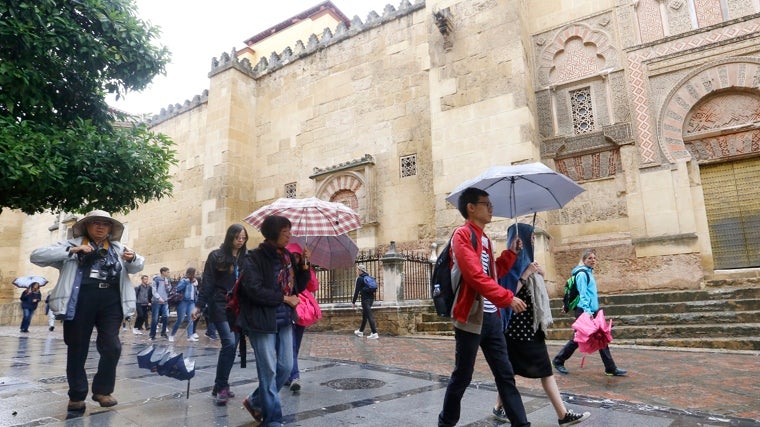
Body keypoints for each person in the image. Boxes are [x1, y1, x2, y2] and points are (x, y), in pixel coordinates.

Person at [30, 210, 144, 412]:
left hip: (111, 301)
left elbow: (137, 266)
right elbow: (36, 256)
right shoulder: (72, 245)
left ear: (110, 228)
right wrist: (72, 251)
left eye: (105, 224)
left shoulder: (117, 248)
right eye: (96, 223)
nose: (101, 227)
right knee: (77, 347)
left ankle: (103, 390)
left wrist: (133, 257)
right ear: (87, 226)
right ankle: (76, 395)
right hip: (80, 299)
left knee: (112, 347)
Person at [438, 187, 530, 427]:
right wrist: (506, 298)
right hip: (470, 316)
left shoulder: (485, 239)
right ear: (471, 207)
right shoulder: (462, 235)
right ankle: (445, 423)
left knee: (505, 376)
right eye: (486, 204)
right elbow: (474, 276)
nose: (491, 209)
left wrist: (511, 253)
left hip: (492, 318)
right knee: (462, 376)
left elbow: (492, 274)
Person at [491, 223, 590, 426]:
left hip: (532, 327)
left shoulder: (530, 262)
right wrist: (526, 274)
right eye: (530, 238)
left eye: (534, 238)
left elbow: (535, 293)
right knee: (541, 370)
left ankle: (498, 407)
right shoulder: (509, 264)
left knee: (510, 371)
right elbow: (506, 293)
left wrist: (538, 274)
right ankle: (563, 415)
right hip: (517, 329)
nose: (533, 241)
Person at [239, 215, 308, 426]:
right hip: (261, 322)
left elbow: (299, 287)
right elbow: (253, 289)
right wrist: (284, 298)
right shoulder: (253, 257)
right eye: (285, 231)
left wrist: (304, 266)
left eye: (289, 231)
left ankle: (255, 401)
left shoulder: (287, 256)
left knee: (286, 367)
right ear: (273, 233)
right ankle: (272, 419)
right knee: (268, 370)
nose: (289, 235)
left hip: (285, 319)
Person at [192, 224, 248, 405]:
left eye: (244, 238)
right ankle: (222, 386)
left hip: (238, 307)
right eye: (238, 237)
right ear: (230, 236)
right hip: (220, 304)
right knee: (229, 342)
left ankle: (219, 385)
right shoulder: (216, 256)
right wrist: (199, 306)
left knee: (231, 347)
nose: (241, 241)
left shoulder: (246, 259)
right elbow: (207, 282)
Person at [552, 249, 627, 377]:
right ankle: (558, 360)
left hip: (592, 310)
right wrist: (588, 312)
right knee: (578, 338)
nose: (593, 260)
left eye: (594, 258)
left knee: (601, 336)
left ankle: (610, 367)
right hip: (584, 311)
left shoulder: (589, 273)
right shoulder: (582, 274)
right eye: (589, 258)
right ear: (583, 260)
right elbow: (583, 295)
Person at [284, 242, 318, 392]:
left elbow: (307, 286)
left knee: (296, 345)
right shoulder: (283, 271)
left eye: (298, 256)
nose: (296, 259)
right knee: (290, 345)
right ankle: (295, 376)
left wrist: (307, 263)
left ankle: (288, 375)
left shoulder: (301, 269)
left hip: (301, 311)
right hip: (286, 310)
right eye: (294, 256)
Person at [170, 267, 199, 342]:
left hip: (191, 302)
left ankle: (190, 336)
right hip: (183, 301)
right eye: (195, 272)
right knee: (180, 319)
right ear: (191, 273)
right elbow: (178, 288)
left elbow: (195, 292)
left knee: (191, 319)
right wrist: (187, 282)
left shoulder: (195, 282)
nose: (196, 274)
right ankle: (172, 335)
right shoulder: (184, 280)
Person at [352, 265, 378, 339]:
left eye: (358, 270)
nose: (357, 271)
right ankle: (360, 331)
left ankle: (374, 333)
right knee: (365, 316)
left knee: (369, 316)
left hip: (365, 300)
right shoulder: (369, 277)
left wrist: (353, 301)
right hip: (371, 299)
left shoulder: (360, 279)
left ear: (360, 270)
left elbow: (356, 291)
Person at [149, 267, 171, 340]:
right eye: (167, 272)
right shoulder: (156, 280)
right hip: (156, 302)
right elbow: (154, 291)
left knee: (166, 316)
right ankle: (152, 335)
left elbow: (168, 290)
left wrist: (167, 285)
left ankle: (163, 333)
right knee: (155, 318)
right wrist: (159, 298)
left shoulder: (167, 280)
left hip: (165, 301)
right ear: (163, 272)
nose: (169, 273)